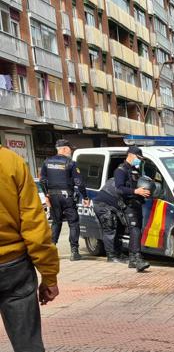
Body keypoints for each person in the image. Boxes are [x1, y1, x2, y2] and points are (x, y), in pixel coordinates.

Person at [0, 145, 60, 352]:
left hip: (13, 266)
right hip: (13, 267)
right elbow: (34, 225)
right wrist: (49, 276)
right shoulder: (11, 162)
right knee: (28, 346)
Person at [99, 146, 151, 271]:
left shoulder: (135, 171)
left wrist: (143, 193)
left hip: (136, 203)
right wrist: (136, 191)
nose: (140, 160)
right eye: (138, 158)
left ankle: (134, 259)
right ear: (131, 155)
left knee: (137, 230)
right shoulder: (120, 170)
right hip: (127, 204)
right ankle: (136, 258)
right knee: (135, 230)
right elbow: (119, 188)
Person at [40, 139, 90, 261]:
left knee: (56, 222)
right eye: (70, 148)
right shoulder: (71, 163)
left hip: (53, 196)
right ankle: (74, 252)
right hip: (67, 196)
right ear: (64, 149)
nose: (71, 151)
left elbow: (42, 180)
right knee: (73, 223)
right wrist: (85, 197)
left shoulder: (47, 162)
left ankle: (51, 251)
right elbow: (79, 182)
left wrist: (47, 195)